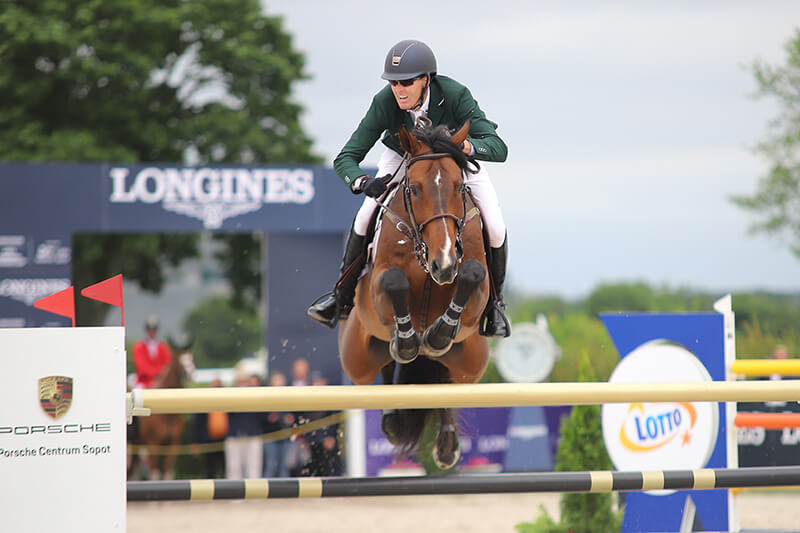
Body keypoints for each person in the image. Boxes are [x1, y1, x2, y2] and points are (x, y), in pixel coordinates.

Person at [306, 39, 510, 337]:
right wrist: (363, 181)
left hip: (450, 158)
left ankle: (495, 306)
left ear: (426, 80)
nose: (399, 90)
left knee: (495, 224)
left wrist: (465, 145)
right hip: (404, 155)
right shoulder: (384, 102)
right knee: (365, 216)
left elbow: (498, 147)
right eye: (394, 83)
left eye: (407, 82)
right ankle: (341, 296)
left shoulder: (454, 94)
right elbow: (346, 158)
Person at [225, 373, 267, 479]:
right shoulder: (230, 394)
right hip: (235, 435)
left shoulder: (254, 394)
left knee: (253, 469)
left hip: (252, 434)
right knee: (234, 469)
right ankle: (234, 493)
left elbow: (262, 415)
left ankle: (254, 493)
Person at [262, 371, 291, 478]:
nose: (280, 383)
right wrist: (268, 418)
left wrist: (291, 418)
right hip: (271, 436)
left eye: (281, 380)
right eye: (277, 380)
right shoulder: (266, 397)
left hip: (285, 436)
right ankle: (266, 491)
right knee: (271, 466)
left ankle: (285, 492)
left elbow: (295, 413)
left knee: (284, 467)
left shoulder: (289, 397)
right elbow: (261, 416)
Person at [132, 315, 173, 388]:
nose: (152, 332)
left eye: (154, 329)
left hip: (161, 381)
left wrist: (159, 379)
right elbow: (141, 366)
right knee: (136, 394)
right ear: (146, 330)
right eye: (149, 329)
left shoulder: (163, 347)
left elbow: (167, 365)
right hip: (144, 382)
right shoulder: (139, 347)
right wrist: (155, 377)